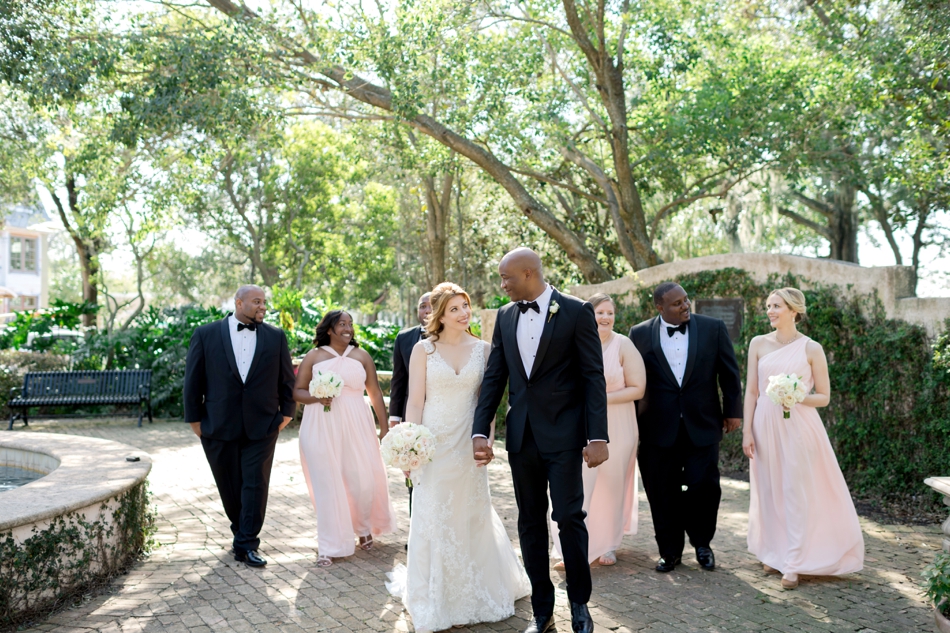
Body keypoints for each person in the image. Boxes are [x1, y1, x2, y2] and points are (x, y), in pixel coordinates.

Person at [472, 247, 608, 633]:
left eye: (506, 277)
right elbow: (495, 376)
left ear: (529, 273)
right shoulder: (505, 316)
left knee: (569, 518)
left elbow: (592, 376)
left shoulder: (576, 311)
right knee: (530, 523)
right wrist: (480, 430)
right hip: (521, 438)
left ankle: (579, 604)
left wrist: (598, 435)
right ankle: (542, 610)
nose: (502, 284)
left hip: (564, 436)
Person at [385, 282, 530, 633]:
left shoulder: (484, 349)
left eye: (465, 306)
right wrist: (411, 447)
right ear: (440, 315)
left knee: (470, 513)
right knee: (433, 513)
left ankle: (472, 591)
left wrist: (486, 439)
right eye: (455, 309)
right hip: (433, 444)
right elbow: (415, 401)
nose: (464, 313)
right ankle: (434, 595)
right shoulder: (423, 350)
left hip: (468, 441)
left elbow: (486, 401)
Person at [742, 288, 864, 589]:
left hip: (798, 426)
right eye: (768, 306)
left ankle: (794, 563)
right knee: (769, 489)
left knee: (794, 491)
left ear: (794, 311)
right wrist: (747, 430)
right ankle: (773, 552)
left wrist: (796, 396)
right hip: (764, 424)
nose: (770, 311)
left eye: (776, 306)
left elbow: (824, 396)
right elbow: (752, 391)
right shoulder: (758, 343)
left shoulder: (812, 348)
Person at [628, 282, 742, 574]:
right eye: (677, 303)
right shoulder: (638, 334)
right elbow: (633, 381)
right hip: (656, 428)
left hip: (702, 424)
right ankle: (669, 551)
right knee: (661, 491)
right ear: (660, 307)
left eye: (686, 300)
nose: (685, 306)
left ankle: (703, 544)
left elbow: (729, 374)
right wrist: (631, 425)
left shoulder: (713, 328)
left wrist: (733, 412)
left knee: (705, 487)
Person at [183, 285, 297, 568]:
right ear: (238, 303)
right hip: (218, 425)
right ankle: (241, 533)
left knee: (255, 484)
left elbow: (287, 380)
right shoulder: (206, 334)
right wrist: (195, 421)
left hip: (263, 425)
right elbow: (193, 380)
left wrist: (286, 415)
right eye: (256, 301)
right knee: (230, 486)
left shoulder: (276, 336)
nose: (263, 307)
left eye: (264, 302)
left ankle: (247, 544)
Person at [294, 310, 397, 567]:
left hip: (357, 425)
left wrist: (384, 428)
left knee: (362, 481)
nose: (348, 328)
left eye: (350, 324)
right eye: (342, 324)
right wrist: (317, 397)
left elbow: (375, 393)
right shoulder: (314, 356)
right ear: (329, 329)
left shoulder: (361, 356)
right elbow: (297, 391)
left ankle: (363, 527)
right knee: (327, 484)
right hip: (320, 425)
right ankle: (329, 545)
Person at [551, 293, 645, 569]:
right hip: (578, 424)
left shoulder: (623, 344)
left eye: (609, 313)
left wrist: (599, 398)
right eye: (599, 312)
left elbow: (638, 388)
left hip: (619, 424)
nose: (605, 318)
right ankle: (570, 546)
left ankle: (608, 544)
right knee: (577, 485)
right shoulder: (572, 343)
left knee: (612, 485)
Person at [388, 293, 432, 518]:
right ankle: (417, 526)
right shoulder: (404, 338)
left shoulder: (453, 336)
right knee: (413, 471)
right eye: (422, 306)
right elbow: (398, 381)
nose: (427, 310)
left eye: (432, 305)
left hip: (443, 413)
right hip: (411, 417)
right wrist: (394, 419)